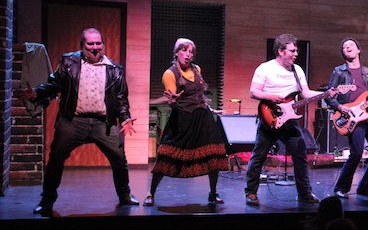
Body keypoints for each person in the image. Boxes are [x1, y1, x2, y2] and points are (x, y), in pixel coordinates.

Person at [15, 28, 138, 215]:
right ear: (82, 45)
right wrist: (36, 93)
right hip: (73, 121)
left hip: (103, 123)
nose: (95, 47)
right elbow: (54, 84)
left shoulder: (115, 69)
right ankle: (46, 201)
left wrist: (125, 118)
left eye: (98, 43)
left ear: (103, 45)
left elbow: (121, 99)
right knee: (56, 159)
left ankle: (125, 195)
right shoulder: (69, 62)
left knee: (119, 159)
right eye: (90, 44)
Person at [244, 33, 334, 206]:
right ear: (281, 51)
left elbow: (305, 94)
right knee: (259, 155)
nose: (296, 54)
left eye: (296, 51)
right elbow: (253, 92)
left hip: (290, 120)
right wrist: (270, 96)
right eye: (292, 51)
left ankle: (304, 193)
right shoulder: (265, 68)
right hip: (270, 117)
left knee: (300, 155)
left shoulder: (297, 70)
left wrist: (326, 93)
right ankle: (251, 193)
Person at [143, 38, 229, 206]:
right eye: (184, 50)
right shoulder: (170, 74)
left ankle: (213, 193)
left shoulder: (197, 69)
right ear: (177, 52)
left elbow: (200, 95)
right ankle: (151, 192)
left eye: (191, 52)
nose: (188, 55)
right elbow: (172, 101)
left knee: (214, 154)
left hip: (203, 118)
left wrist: (211, 109)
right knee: (167, 155)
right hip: (183, 118)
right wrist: (173, 101)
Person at [325, 38, 368, 199]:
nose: (347, 47)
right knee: (356, 153)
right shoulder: (339, 71)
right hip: (352, 116)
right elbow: (328, 95)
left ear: (358, 50)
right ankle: (341, 188)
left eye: (351, 45)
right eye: (344, 46)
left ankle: (365, 186)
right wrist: (340, 107)